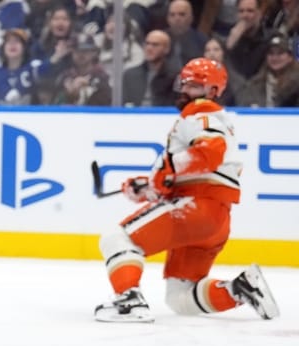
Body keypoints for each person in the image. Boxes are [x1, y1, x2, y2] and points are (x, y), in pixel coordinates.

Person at [94, 57, 280, 323]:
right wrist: (149, 185)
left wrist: (165, 172)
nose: (185, 90)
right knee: (181, 297)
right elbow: (189, 172)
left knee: (118, 238)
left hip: (195, 207)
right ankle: (239, 289)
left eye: (193, 85)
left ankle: (129, 301)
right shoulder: (210, 120)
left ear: (212, 91)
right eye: (184, 84)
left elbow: (209, 153)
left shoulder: (201, 115)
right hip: (213, 219)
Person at [236, 32, 299, 106]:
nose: (275, 58)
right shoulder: (256, 83)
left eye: (280, 53)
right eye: (271, 53)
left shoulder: (296, 84)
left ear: (290, 57)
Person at [122, 30, 181, 107]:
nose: (149, 48)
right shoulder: (130, 75)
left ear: (166, 49)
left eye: (155, 45)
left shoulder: (175, 76)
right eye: (147, 44)